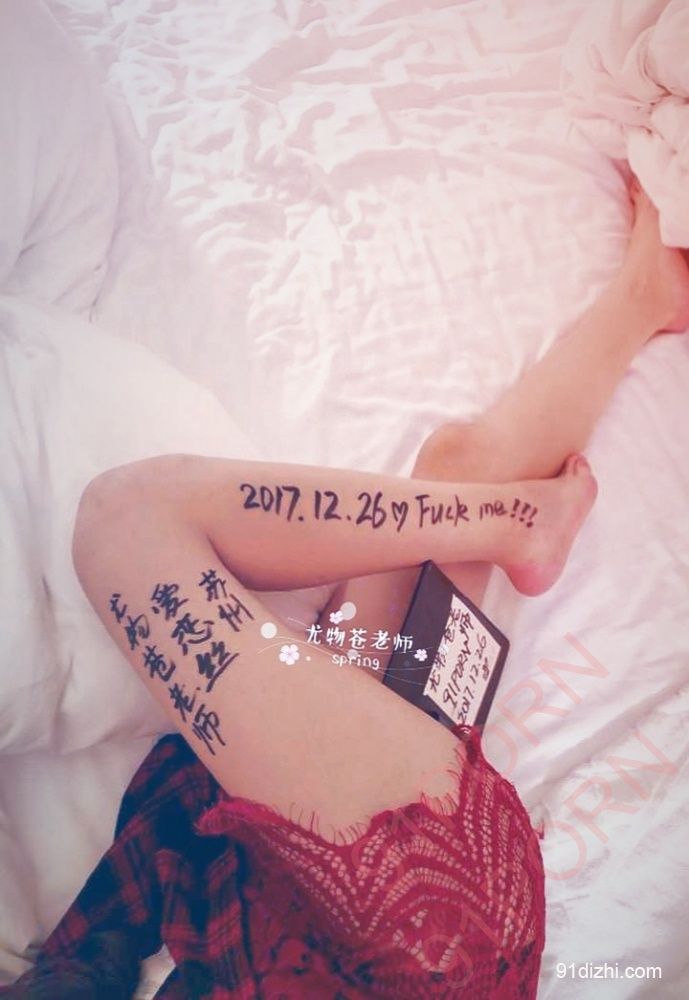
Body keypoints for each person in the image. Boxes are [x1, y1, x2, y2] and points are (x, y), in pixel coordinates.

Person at [8, 180, 686, 999]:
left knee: (452, 475)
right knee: (126, 521)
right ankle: (516, 523)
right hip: (407, 923)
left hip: (359, 915)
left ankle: (643, 301)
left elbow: (94, 953)